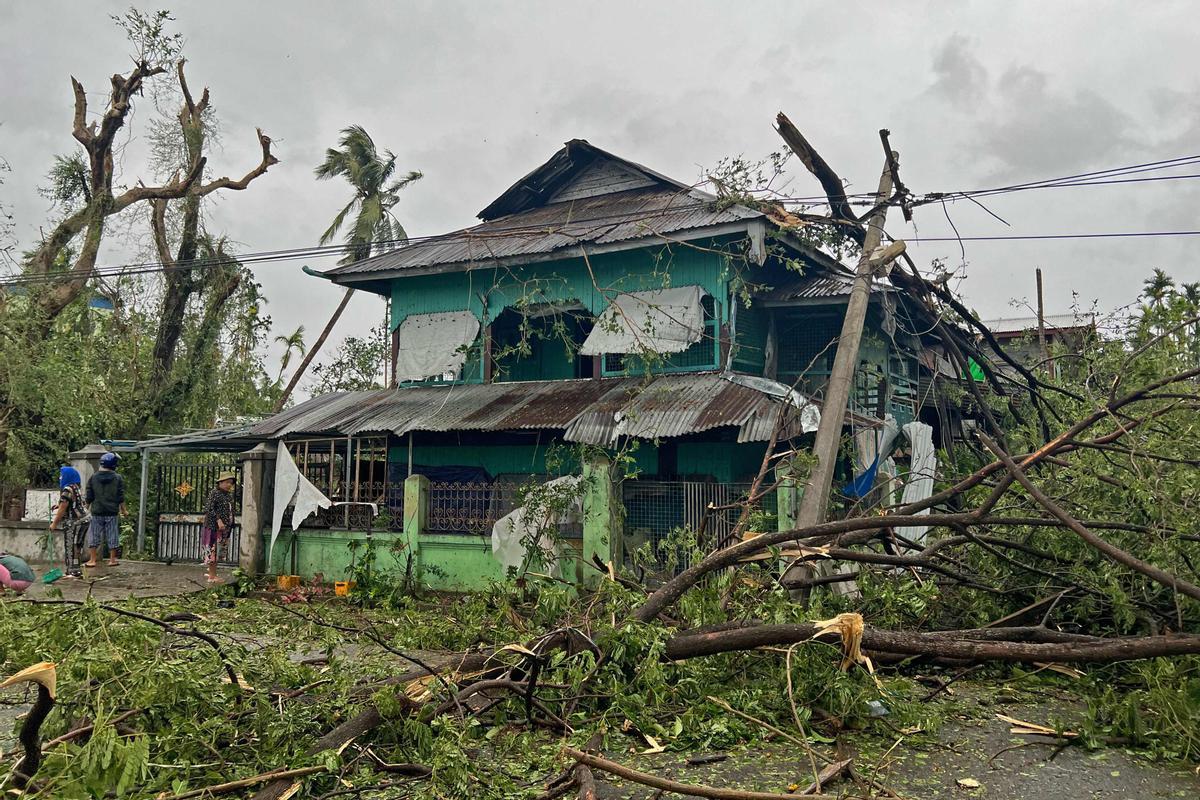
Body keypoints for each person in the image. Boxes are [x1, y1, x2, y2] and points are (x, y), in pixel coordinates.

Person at [85, 452, 125, 567]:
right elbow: (120, 496)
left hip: (97, 511)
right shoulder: (117, 478)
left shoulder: (93, 477)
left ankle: (92, 560)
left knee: (94, 535)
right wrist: (124, 510)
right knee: (113, 535)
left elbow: (89, 496)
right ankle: (112, 560)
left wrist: (85, 508)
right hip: (112, 512)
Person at [48, 465, 88, 577]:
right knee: (77, 545)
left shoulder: (67, 490)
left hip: (75, 521)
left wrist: (54, 523)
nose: (60, 478)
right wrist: (59, 504)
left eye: (62, 475)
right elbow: (69, 503)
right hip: (84, 520)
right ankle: (76, 569)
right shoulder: (75, 487)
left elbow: (63, 507)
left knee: (71, 545)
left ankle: (72, 571)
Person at [201, 471, 236, 583]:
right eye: (227, 482)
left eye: (231, 483)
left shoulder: (227, 495)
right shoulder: (215, 493)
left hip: (224, 529)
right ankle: (212, 576)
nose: (229, 485)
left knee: (218, 551)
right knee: (213, 551)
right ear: (220, 482)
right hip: (213, 528)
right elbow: (209, 508)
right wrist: (218, 520)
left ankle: (212, 572)